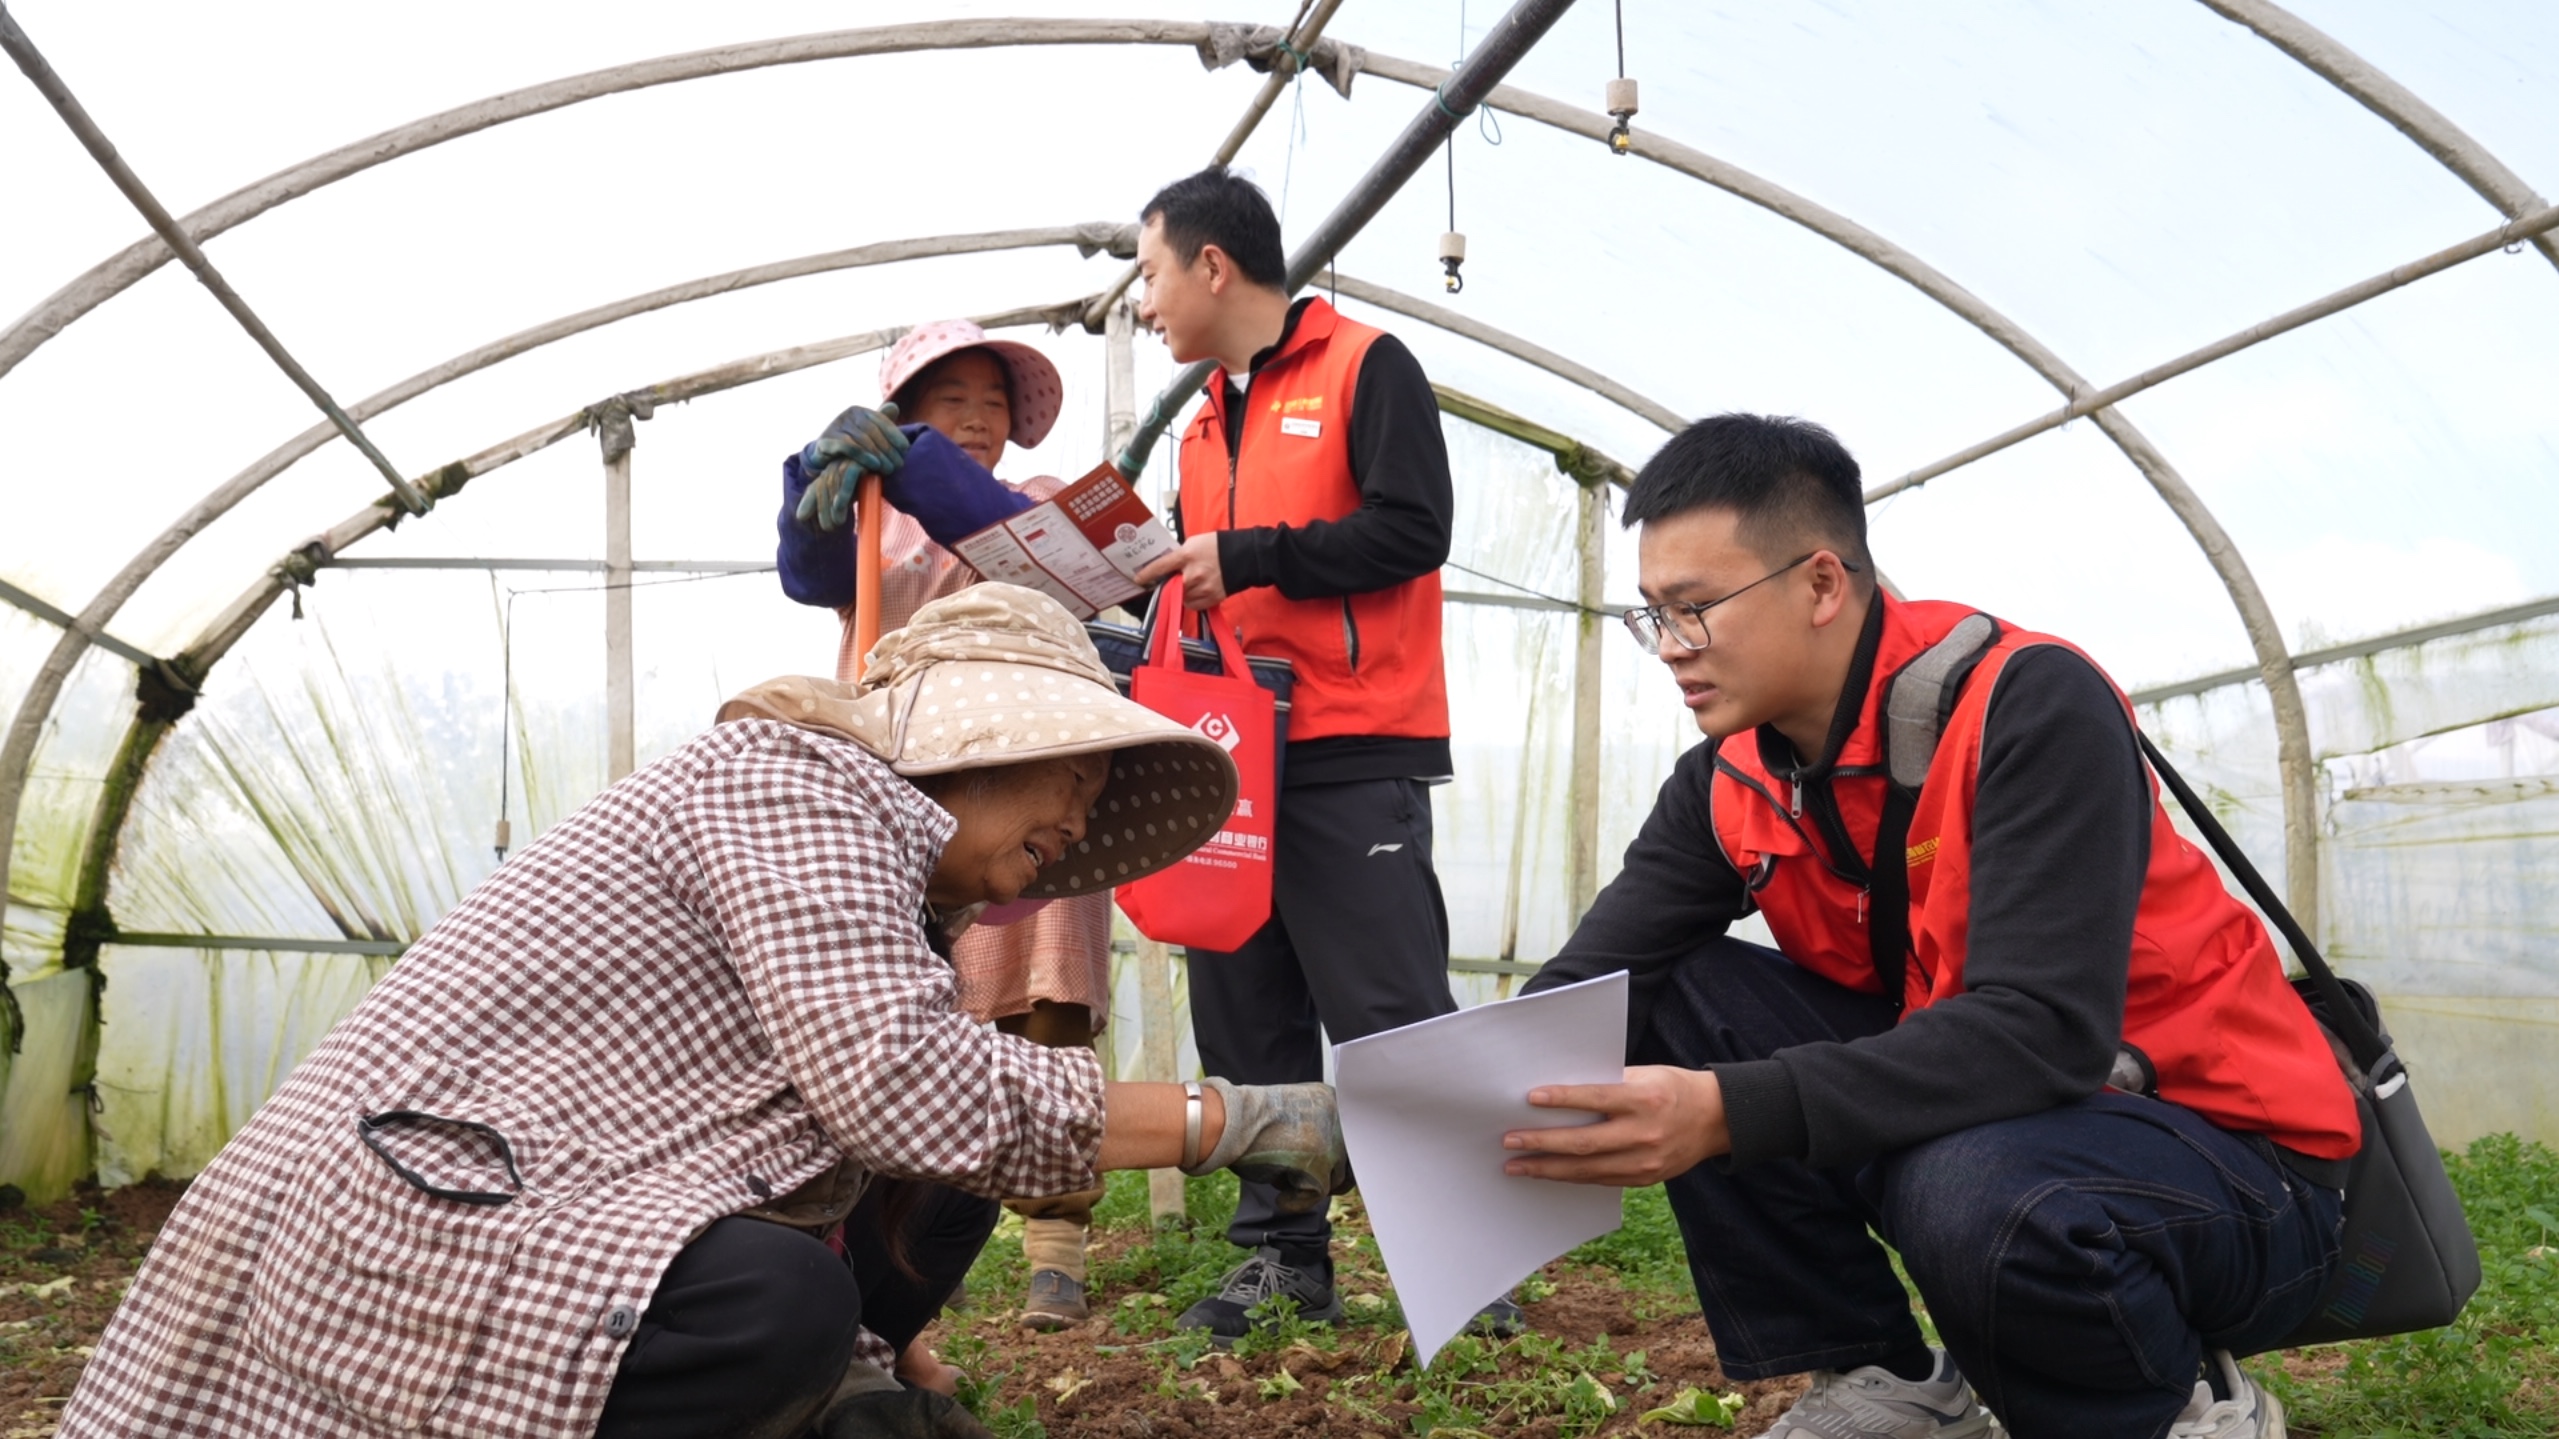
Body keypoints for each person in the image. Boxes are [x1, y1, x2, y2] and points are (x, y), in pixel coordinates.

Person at [58, 586, 1350, 1439]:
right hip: (408, 1214)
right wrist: (1237, 1116)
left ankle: (816, 1392)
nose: (1079, 818)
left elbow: (848, 1144)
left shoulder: (886, 879)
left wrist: (869, 1356)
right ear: (971, 742)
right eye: (1073, 770)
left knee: (927, 1201)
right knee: (769, 1299)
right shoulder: (798, 782)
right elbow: (903, 1086)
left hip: (557, 1195)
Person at [1497, 415, 2359, 1439]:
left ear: (1822, 583)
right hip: (2013, 1126)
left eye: (1696, 609)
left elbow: (2040, 1031)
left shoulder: (2029, 706)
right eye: (1654, 615)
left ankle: (2169, 1403)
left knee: (1975, 1186)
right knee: (1677, 994)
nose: (1672, 648)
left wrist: (1727, 1108)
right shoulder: (1728, 779)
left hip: (2231, 1168)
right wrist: (1359, 1119)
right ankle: (1888, 1378)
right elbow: (1583, 989)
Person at [1122, 165, 1510, 1343]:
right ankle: (1284, 1261)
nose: (1145, 304)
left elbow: (1414, 526)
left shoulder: (1365, 367)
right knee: (1248, 1022)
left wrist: (1245, 555)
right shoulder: (1201, 423)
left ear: (1212, 265)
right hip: (1233, 755)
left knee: (1392, 1017)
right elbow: (1220, 581)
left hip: (1351, 744)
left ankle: (1466, 1263)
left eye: (1149, 274)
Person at [776, 320, 1115, 1334]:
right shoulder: (876, 513)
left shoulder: (1052, 498)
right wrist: (812, 476)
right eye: (946, 401)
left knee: (1050, 988)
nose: (975, 419)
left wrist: (924, 471)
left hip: (1034, 780)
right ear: (903, 414)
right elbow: (807, 571)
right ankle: (894, 1261)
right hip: (899, 781)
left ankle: (1056, 1239)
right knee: (892, 1002)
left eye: (992, 403)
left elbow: (1084, 567)